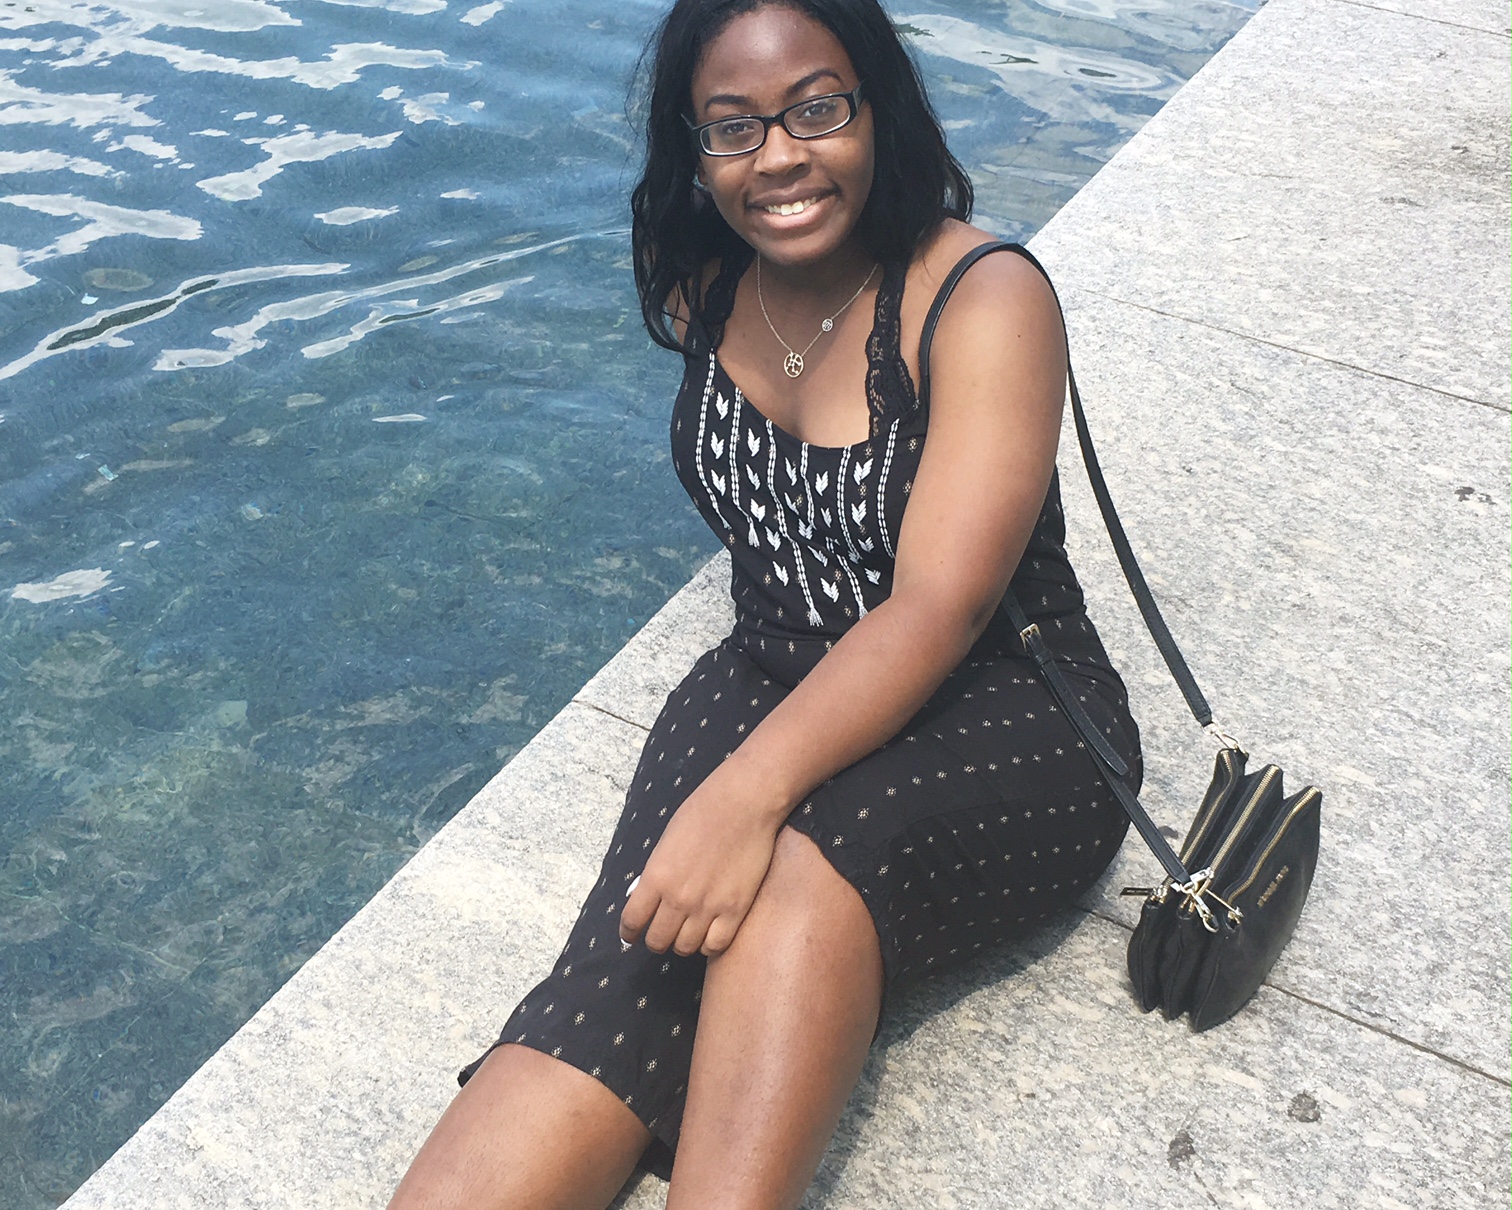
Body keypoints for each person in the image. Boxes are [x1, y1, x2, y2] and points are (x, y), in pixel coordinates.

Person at [388, 1, 1139, 1206]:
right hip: (770, 667)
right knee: (622, 972)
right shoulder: (706, 282)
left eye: (816, 110)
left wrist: (744, 794)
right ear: (693, 151)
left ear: (878, 110)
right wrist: (731, 793)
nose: (779, 156)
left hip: (1001, 700)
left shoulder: (982, 296)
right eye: (733, 127)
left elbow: (940, 606)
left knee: (794, 873)